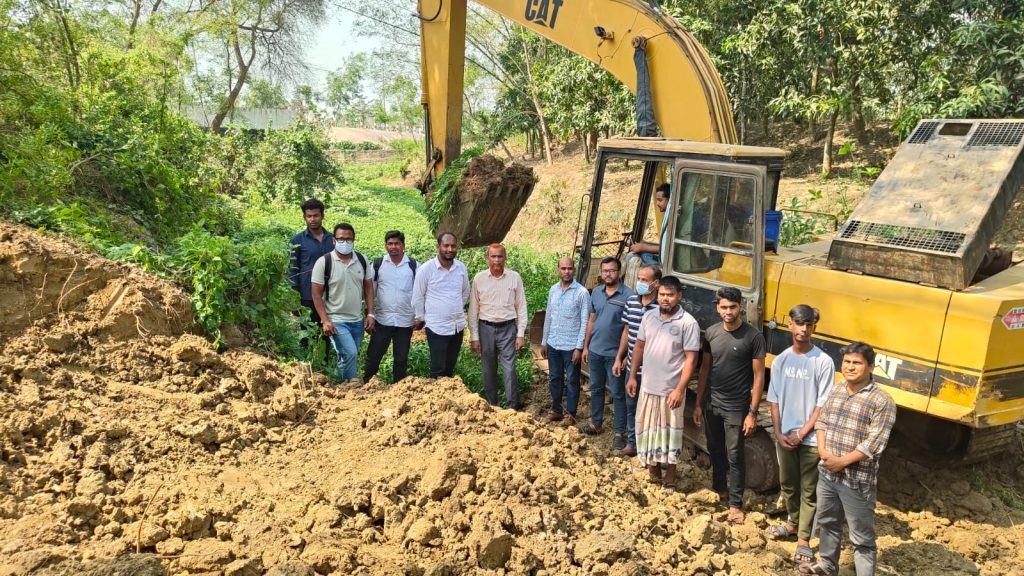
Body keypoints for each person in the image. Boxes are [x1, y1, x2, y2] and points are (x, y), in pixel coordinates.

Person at [798, 342, 896, 576]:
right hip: (828, 474)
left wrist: (842, 461)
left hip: (856, 480)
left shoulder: (882, 400)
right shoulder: (838, 389)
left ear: (870, 367)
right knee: (828, 523)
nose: (850, 367)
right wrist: (823, 453)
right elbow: (822, 422)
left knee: (861, 538)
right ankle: (827, 566)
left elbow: (875, 443)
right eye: (847, 362)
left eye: (857, 363)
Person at [765, 304, 836, 566]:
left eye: (809, 325)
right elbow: (773, 400)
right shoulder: (782, 360)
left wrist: (802, 433)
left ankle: (804, 539)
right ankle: (793, 523)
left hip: (810, 439)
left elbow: (822, 404)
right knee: (788, 484)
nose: (804, 329)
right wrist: (779, 431)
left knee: (809, 490)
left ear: (814, 327)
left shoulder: (823, 362)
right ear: (790, 325)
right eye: (799, 323)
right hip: (784, 435)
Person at [692, 286, 766, 524]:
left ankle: (735, 504)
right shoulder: (712, 333)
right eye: (724, 307)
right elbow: (704, 369)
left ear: (741, 307)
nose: (728, 311)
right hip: (712, 403)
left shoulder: (753, 337)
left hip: (736, 406)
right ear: (717, 308)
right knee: (715, 447)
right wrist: (698, 404)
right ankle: (719, 489)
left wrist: (752, 413)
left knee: (735, 454)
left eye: (733, 307)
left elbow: (758, 377)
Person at [626, 275, 700, 491]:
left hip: (671, 390)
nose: (665, 299)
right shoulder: (649, 317)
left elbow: (691, 359)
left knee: (670, 434)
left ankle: (671, 477)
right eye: (662, 294)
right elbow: (639, 346)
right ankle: (654, 470)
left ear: (679, 296)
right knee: (649, 429)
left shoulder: (688, 323)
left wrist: (679, 389)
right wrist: (632, 376)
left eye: (670, 295)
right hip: (648, 386)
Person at [310, 223, 374, 384]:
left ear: (354, 240)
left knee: (347, 355)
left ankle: (340, 387)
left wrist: (370, 313)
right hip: (336, 319)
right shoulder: (324, 263)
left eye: (348, 239)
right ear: (333, 240)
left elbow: (368, 289)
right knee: (351, 353)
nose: (344, 242)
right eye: (340, 239)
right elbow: (316, 294)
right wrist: (325, 320)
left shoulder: (361, 260)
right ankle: (351, 384)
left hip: (357, 320)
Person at [582, 257, 634, 447]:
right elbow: (591, 320)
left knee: (618, 394)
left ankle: (620, 433)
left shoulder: (629, 296)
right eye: (605, 271)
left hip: (614, 355)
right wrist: (586, 346)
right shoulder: (596, 293)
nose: (608, 274)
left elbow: (628, 330)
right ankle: (596, 423)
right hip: (595, 351)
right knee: (596, 389)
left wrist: (621, 357)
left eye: (611, 271)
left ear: (618, 272)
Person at [469, 244, 528, 408]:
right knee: (488, 369)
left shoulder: (514, 277)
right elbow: (474, 309)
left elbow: (521, 306)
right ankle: (492, 405)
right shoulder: (479, 279)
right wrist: (474, 337)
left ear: (505, 257)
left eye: (499, 256)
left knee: (509, 368)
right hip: (485, 328)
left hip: (508, 328)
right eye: (493, 256)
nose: (496, 260)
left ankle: (512, 406)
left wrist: (520, 333)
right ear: (487, 258)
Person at [612, 264, 662, 456]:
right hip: (633, 368)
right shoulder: (632, 301)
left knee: (652, 412)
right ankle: (632, 444)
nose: (639, 283)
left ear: (655, 284)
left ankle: (650, 448)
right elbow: (627, 331)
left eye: (644, 280)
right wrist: (620, 357)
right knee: (631, 406)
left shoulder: (661, 307)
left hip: (653, 371)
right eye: (639, 279)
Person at [412, 232, 470, 378]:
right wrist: (422, 317)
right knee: (438, 369)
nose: (450, 249)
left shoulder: (461, 268)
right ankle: (436, 397)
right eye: (446, 246)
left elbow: (465, 292)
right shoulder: (426, 269)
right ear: (438, 246)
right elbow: (418, 296)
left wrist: (454, 307)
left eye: (453, 246)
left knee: (449, 369)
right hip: (437, 327)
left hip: (457, 327)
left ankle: (448, 398)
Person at [540, 257, 590, 425]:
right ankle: (556, 410)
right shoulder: (553, 290)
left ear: (573, 270)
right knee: (554, 378)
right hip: (553, 343)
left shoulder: (582, 292)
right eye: (563, 268)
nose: (566, 271)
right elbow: (548, 316)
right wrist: (544, 341)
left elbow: (585, 321)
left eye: (569, 268)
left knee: (572, 380)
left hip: (571, 346)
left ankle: (571, 414)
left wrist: (579, 347)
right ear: (558, 270)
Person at [364, 230, 417, 384]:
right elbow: (370, 291)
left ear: (403, 246)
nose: (393, 247)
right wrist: (370, 314)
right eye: (390, 244)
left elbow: (419, 293)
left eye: (397, 244)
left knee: (401, 359)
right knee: (373, 356)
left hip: (405, 321)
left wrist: (419, 316)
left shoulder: (413, 266)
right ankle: (367, 384)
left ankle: (398, 388)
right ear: (386, 246)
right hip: (382, 320)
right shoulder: (378, 264)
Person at [289, 198, 335, 351]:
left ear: (322, 216)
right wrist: (294, 301)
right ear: (304, 217)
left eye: (316, 215)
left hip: (331, 296)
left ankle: (325, 368)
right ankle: (307, 367)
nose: (312, 219)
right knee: (306, 335)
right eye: (309, 216)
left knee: (328, 334)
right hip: (307, 296)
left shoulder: (333, 239)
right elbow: (292, 271)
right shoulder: (297, 241)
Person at [628, 183, 670, 262]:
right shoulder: (667, 217)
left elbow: (667, 248)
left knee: (631, 257)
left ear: (670, 200)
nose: (657, 203)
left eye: (660, 200)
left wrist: (643, 247)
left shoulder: (675, 220)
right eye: (657, 200)